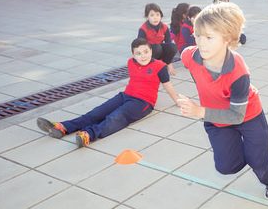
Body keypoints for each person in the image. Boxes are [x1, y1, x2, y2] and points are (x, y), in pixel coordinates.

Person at [177, 2, 268, 200]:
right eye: (198, 35)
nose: (201, 42)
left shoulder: (238, 71)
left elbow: (236, 115)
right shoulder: (189, 56)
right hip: (217, 119)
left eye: (209, 37)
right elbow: (190, 64)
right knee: (226, 167)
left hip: (247, 116)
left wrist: (199, 111)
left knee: (258, 161)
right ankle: (246, 151)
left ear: (226, 38)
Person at [37, 38, 180, 147]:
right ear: (133, 55)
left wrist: (178, 101)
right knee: (97, 113)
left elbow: (168, 86)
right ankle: (63, 127)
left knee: (116, 117)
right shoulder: (131, 63)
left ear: (151, 51)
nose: (143, 56)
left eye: (146, 52)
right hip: (125, 96)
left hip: (143, 103)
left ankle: (89, 135)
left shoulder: (159, 67)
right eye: (138, 53)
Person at [138, 3, 177, 76]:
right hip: (149, 52)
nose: (155, 17)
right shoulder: (143, 29)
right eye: (152, 15)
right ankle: (151, 66)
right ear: (147, 17)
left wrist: (169, 60)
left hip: (159, 50)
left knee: (173, 46)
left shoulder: (164, 27)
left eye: (157, 15)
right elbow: (140, 46)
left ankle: (167, 63)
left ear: (161, 16)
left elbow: (168, 42)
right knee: (157, 48)